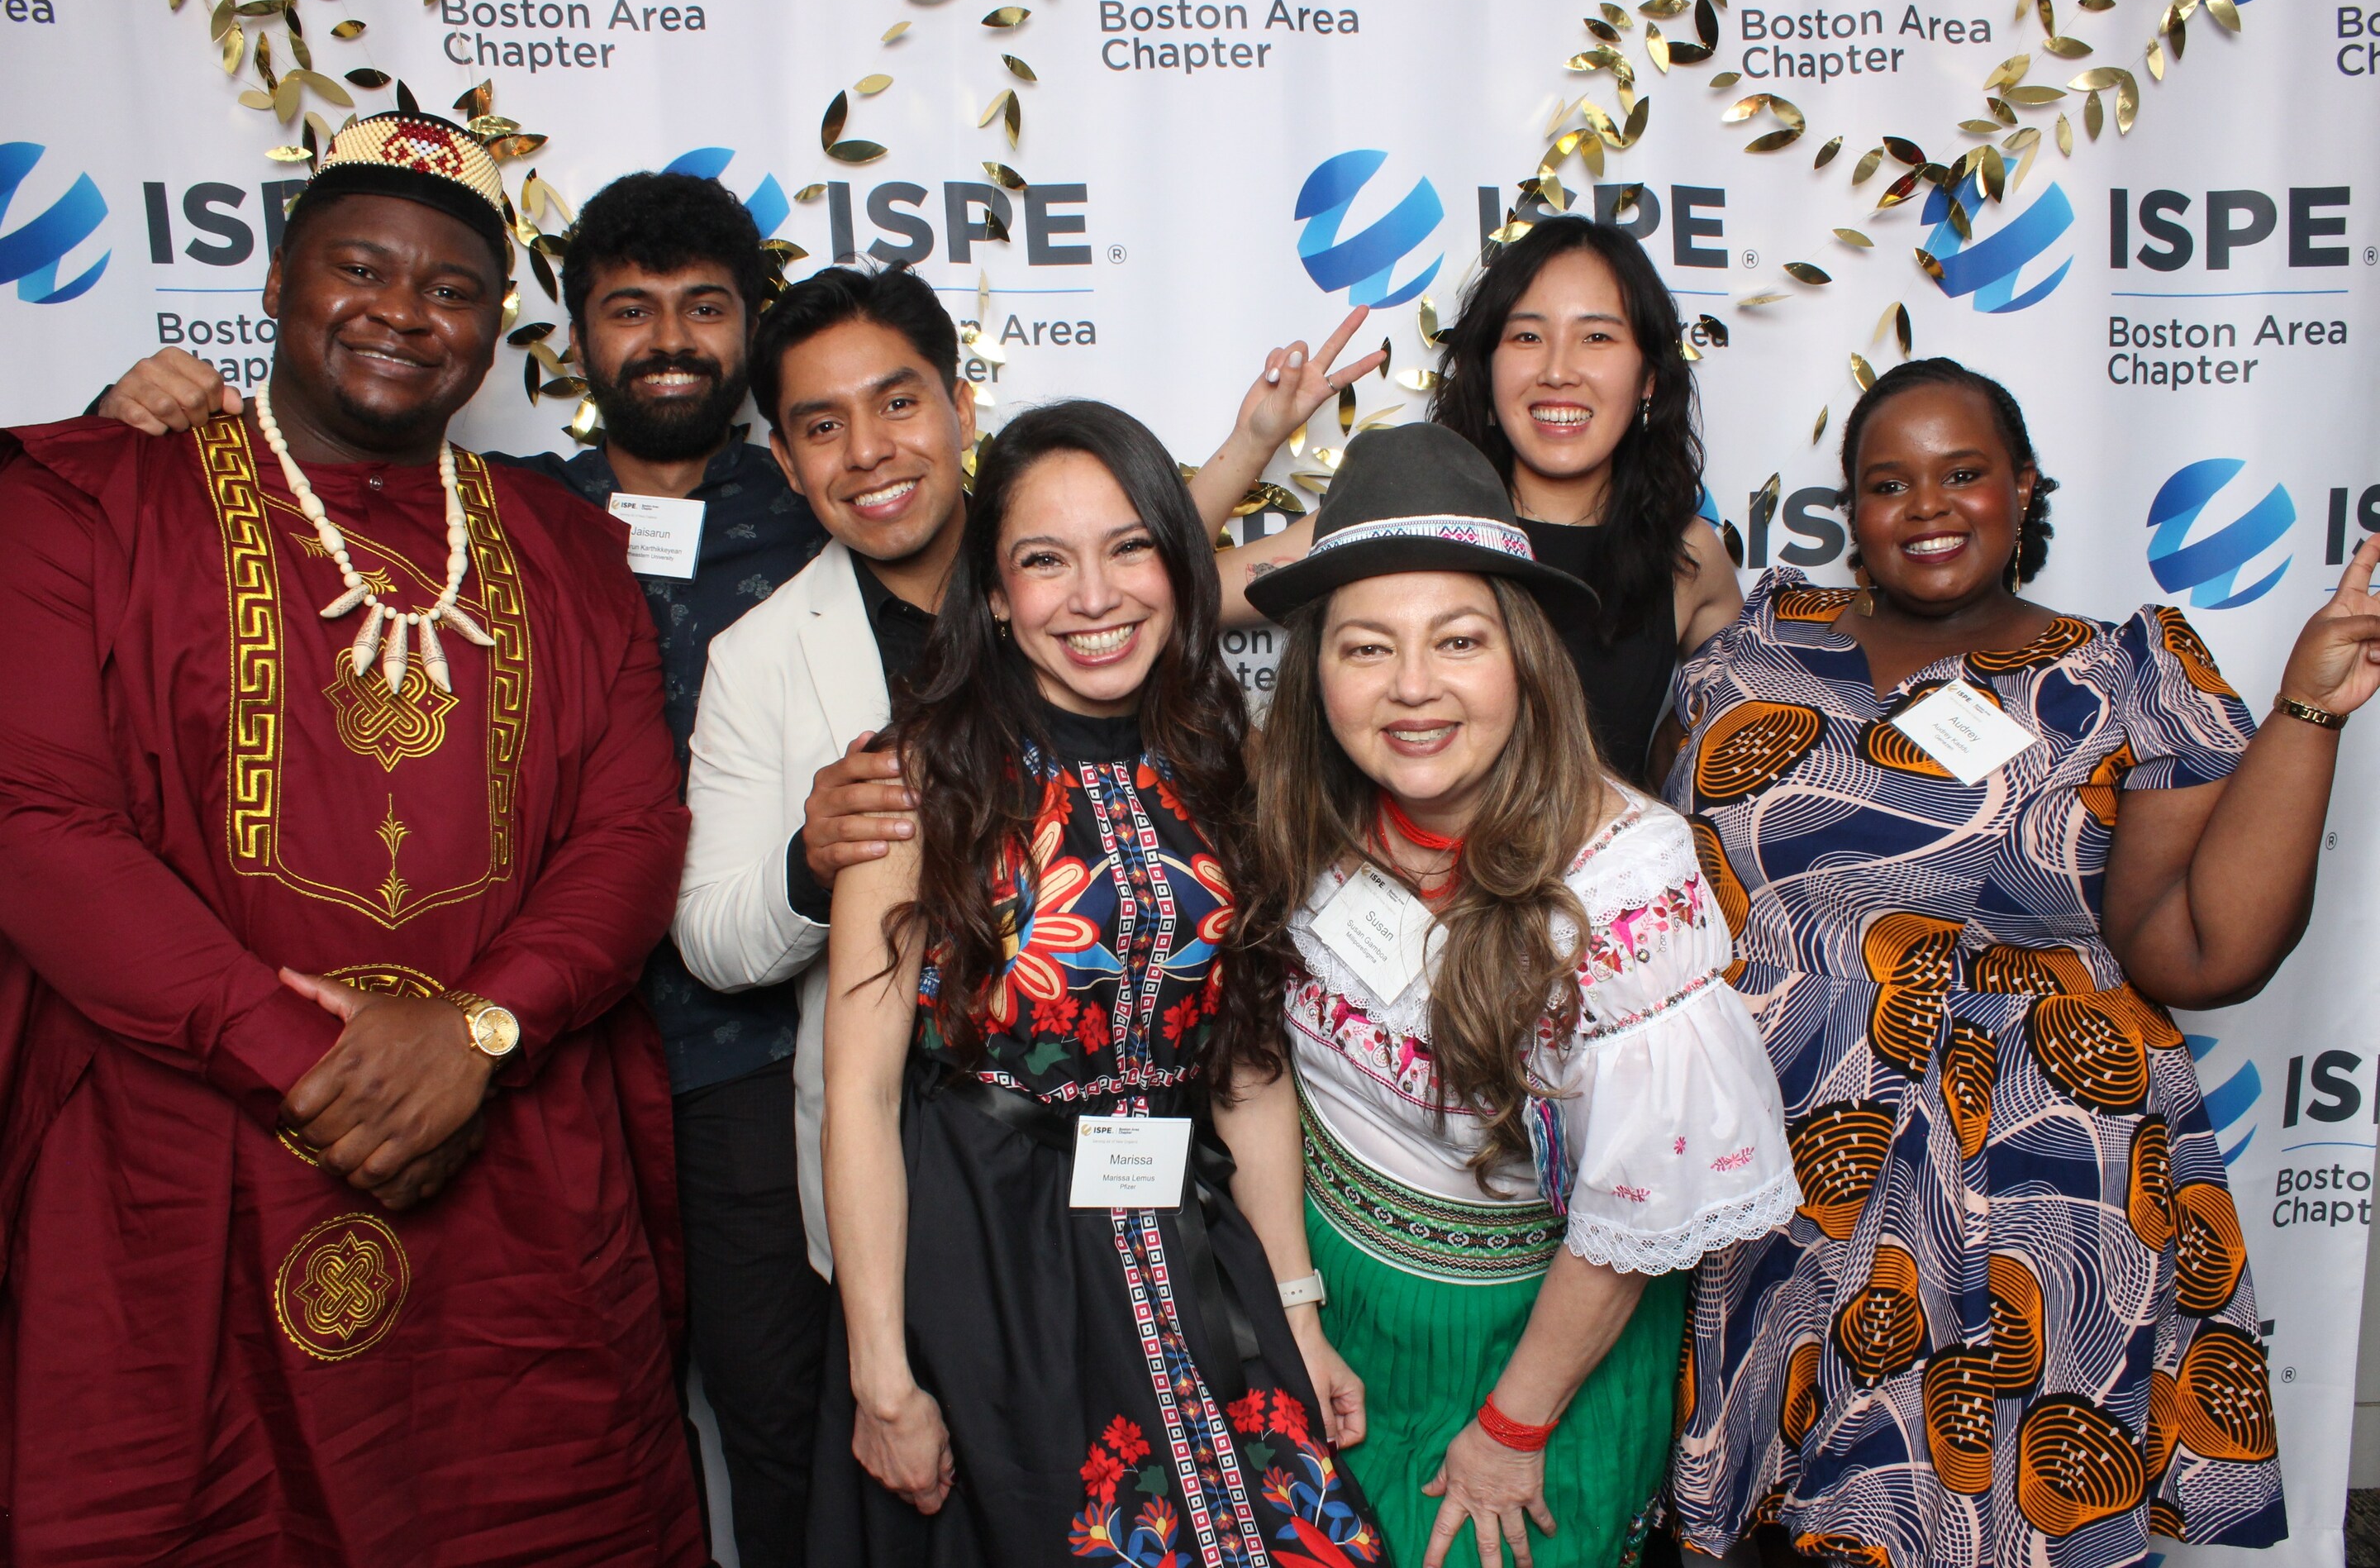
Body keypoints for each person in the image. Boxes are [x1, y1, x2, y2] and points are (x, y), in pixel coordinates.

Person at [95, 169, 834, 1567]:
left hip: (740, 1046)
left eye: (704, 308)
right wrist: (126, 412)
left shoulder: (815, 501)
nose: (669, 340)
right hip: (534, 1056)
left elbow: (1031, 578)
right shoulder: (522, 506)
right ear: (568, 335)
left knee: (770, 1408)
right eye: (630, 309)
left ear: (750, 328)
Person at [1664, 357, 2380, 1566]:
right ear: (1851, 509)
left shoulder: (2119, 674)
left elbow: (2202, 953)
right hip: (1785, 1152)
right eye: (1889, 482)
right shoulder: (1750, 650)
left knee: (2000, 1525)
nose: (1928, 507)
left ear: (2024, 487)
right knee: (1771, 1527)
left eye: (1964, 473)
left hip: (2032, 1169)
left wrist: (2308, 711)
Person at [671, 261, 1380, 1280]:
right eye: (823, 426)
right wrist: (809, 863)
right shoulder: (757, 658)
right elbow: (710, 940)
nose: (867, 451)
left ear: (961, 408)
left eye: (899, 403)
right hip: (936, 1197)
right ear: (783, 459)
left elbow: (1149, 573)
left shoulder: (1068, 593)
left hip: (1163, 1176)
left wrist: (1255, 446)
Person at [808, 398, 1385, 1564]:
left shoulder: (1224, 761)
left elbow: (1247, 1063)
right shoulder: (914, 781)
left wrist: (1297, 1312)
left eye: (1129, 548)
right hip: (987, 1258)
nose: (1094, 596)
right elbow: (860, 1097)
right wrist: (881, 1372)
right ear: (993, 594)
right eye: (1043, 561)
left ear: (1179, 564)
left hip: (1185, 1232)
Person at [1232, 422, 1797, 1568]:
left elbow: (1637, 1204)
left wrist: (1511, 1429)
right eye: (1366, 648)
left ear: (1524, 658)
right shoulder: (1300, 812)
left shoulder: (1625, 878)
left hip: (1535, 1347)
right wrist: (1294, 1304)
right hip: (1331, 1302)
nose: (1413, 688)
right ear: (1316, 671)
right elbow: (1262, 1066)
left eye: (1458, 640)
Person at [1216, 216, 1745, 785]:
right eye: (1527, 337)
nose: (1558, 371)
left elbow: (1729, 740)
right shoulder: (1405, 512)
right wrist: (1253, 442)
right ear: (1487, 368)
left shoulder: (1688, 556)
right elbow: (1167, 597)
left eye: (1597, 337)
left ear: (1649, 378)